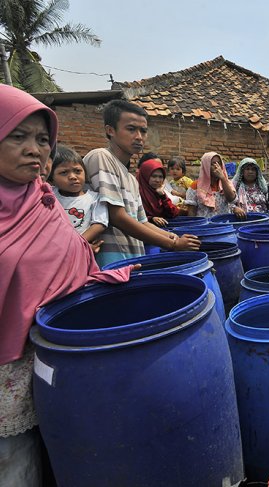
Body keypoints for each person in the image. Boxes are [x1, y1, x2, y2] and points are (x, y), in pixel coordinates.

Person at [0, 84, 133, 487]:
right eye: (17, 137)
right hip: (8, 365)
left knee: (62, 450)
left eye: (43, 139)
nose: (34, 150)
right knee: (14, 460)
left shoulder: (42, 202)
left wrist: (105, 279)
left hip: (60, 353)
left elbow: (73, 257)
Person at [84, 100, 199, 266]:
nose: (139, 136)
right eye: (131, 129)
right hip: (109, 263)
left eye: (143, 131)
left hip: (132, 261)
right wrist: (172, 244)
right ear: (110, 131)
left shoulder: (131, 178)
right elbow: (117, 216)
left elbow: (141, 221)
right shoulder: (101, 157)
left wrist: (173, 237)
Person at [49, 144, 107, 251]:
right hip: (52, 249)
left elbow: (99, 224)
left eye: (77, 171)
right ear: (51, 178)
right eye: (64, 172)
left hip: (80, 250)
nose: (73, 176)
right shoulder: (49, 195)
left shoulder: (95, 198)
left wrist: (77, 244)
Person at [185, 151, 237, 218]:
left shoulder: (226, 183)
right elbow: (192, 212)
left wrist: (222, 178)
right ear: (206, 166)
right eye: (212, 164)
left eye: (219, 163)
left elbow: (232, 199)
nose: (216, 166)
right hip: (204, 226)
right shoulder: (196, 186)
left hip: (223, 225)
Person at [136, 153, 179, 226]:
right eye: (154, 176)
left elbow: (172, 213)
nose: (157, 180)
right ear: (146, 176)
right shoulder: (137, 192)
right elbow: (132, 216)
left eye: (160, 177)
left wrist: (163, 196)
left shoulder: (158, 192)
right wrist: (151, 219)